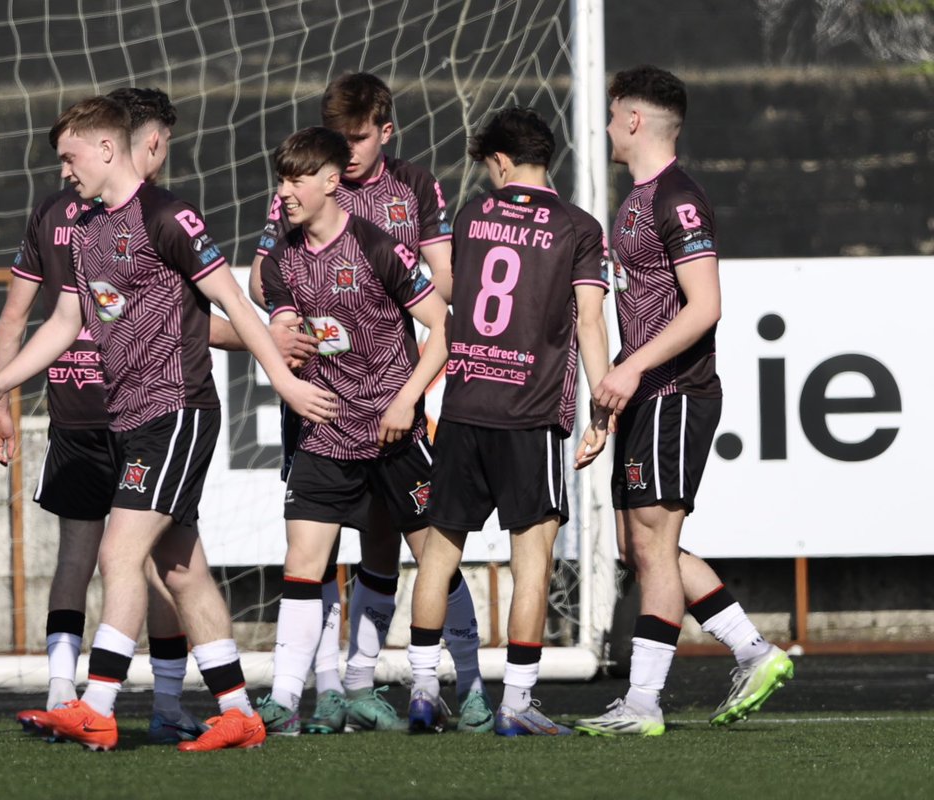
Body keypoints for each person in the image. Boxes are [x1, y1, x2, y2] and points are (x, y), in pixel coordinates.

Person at [0, 92, 337, 752]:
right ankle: (240, 712)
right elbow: (65, 323)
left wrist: (284, 381)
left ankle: (97, 705)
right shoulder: (88, 233)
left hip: (178, 411)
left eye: (70, 156)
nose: (64, 170)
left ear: (107, 148)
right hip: (132, 417)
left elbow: (236, 303)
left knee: (117, 552)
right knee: (182, 569)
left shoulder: (169, 217)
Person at [249, 72, 489, 734]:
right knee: (312, 553)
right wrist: (280, 324)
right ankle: (314, 691)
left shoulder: (405, 198)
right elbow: (265, 280)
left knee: (421, 546)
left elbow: (442, 296)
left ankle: (451, 683)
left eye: (358, 138)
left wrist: (392, 295)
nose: (348, 151)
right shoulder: (297, 204)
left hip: (392, 405)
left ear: (384, 132)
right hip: (324, 412)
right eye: (339, 140)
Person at [576, 65, 793, 737]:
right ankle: (754, 652)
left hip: (676, 392)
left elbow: (706, 307)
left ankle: (642, 703)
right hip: (645, 395)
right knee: (637, 545)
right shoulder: (637, 199)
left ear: (634, 121)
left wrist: (630, 367)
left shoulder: (678, 198)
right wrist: (609, 403)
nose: (607, 128)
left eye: (614, 116)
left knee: (654, 544)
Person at [405, 108, 612, 735]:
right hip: (530, 413)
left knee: (438, 554)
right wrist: (602, 406)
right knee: (534, 557)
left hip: (465, 408)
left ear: (499, 161)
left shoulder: (471, 217)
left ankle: (420, 691)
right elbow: (591, 321)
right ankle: (516, 707)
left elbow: (456, 309)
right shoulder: (578, 226)